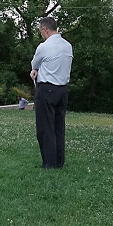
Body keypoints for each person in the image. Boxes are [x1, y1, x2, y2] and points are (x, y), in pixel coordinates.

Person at [30, 17, 73, 169]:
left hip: (47, 90)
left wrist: (35, 70)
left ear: (45, 30)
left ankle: (49, 163)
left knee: (45, 128)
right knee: (58, 127)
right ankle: (59, 161)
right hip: (62, 90)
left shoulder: (43, 47)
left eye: (40, 31)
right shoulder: (68, 46)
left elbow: (35, 63)